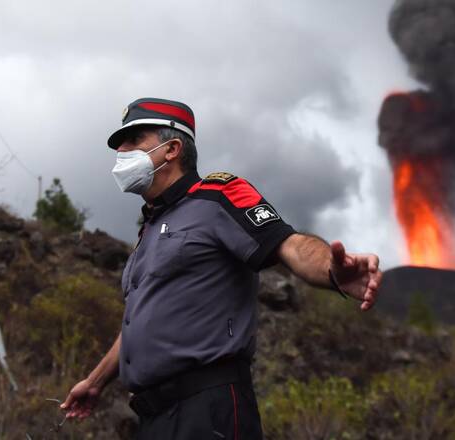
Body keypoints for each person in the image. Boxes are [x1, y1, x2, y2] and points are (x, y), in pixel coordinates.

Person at [60, 98, 382, 439]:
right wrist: (95, 382)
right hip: (152, 418)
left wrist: (332, 270)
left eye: (133, 140)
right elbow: (140, 321)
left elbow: (288, 243)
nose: (121, 151)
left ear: (172, 149)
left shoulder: (217, 195)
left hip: (208, 410)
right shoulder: (148, 230)